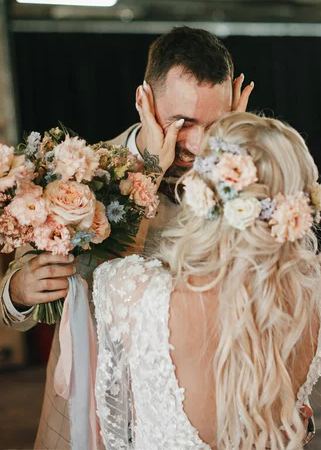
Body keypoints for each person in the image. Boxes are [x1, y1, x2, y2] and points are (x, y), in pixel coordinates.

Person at [0, 26, 253, 449]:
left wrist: (243, 143)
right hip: (92, 408)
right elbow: (12, 298)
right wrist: (20, 291)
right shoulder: (78, 173)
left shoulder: (238, 173)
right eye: (182, 122)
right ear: (144, 101)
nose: (198, 142)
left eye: (216, 122)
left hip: (201, 413)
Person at [93, 110, 321, 450]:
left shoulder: (133, 291)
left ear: (200, 190)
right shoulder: (318, 286)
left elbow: (114, 434)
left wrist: (152, 167)